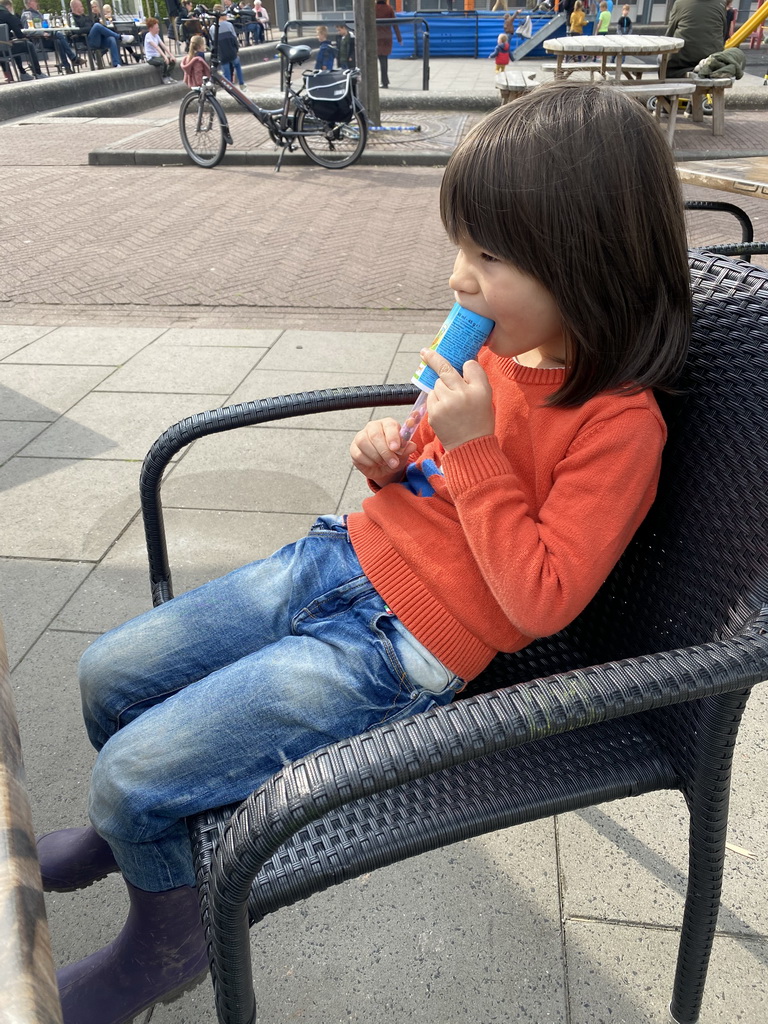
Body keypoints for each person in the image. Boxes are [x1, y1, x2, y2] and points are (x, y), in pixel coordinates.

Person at [38, 81, 691, 1024]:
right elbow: (429, 475)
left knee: (130, 771)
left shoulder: (618, 427)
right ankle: (140, 841)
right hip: (334, 559)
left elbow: (540, 599)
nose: (458, 279)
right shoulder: (494, 351)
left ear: (588, 264)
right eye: (460, 247)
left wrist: (469, 450)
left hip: (398, 647)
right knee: (108, 674)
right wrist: (394, 457)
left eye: (488, 256)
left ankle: (170, 930)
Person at [665, 0, 727, 79]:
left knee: (662, 59)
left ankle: (667, 86)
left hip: (682, 62)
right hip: (711, 60)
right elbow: (723, 33)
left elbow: (669, 35)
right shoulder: (721, 3)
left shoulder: (680, 3)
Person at [69, 0, 135, 68]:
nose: (83, 8)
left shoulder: (85, 16)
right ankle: (120, 37)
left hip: (97, 39)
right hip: (87, 41)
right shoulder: (72, 18)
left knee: (111, 39)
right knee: (97, 26)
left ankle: (116, 63)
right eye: (81, 6)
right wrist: (91, 28)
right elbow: (75, 31)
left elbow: (92, 25)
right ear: (76, 7)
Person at [22, 0, 81, 73]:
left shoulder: (39, 13)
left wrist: (51, 29)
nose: (37, 3)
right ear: (29, 3)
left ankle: (67, 67)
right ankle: (73, 58)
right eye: (35, 1)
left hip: (48, 39)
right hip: (39, 41)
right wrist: (42, 33)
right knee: (59, 35)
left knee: (59, 42)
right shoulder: (26, 15)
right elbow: (28, 31)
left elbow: (45, 27)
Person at [0, 0, 47, 78]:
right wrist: (26, 38)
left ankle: (20, 73)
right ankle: (37, 72)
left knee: (13, 44)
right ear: (8, 7)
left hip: (1, 49)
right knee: (28, 45)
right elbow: (19, 34)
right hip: (5, 49)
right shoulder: (7, 15)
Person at [213, 4, 244, 86]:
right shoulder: (229, 25)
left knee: (226, 74)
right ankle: (241, 83)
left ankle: (229, 87)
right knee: (237, 65)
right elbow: (234, 39)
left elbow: (213, 43)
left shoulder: (212, 28)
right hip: (232, 52)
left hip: (222, 54)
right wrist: (237, 49)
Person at [375, 0, 401, 88]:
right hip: (386, 37)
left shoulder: (373, 9)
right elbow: (395, 24)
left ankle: (375, 81)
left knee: (372, 61)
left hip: (375, 37)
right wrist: (399, 38)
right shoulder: (389, 9)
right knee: (384, 60)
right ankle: (385, 82)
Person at [143, 16, 175, 82]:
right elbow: (157, 47)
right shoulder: (148, 36)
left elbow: (163, 45)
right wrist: (164, 56)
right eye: (156, 28)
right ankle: (164, 77)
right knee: (164, 62)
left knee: (172, 61)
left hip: (157, 56)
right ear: (151, 28)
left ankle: (168, 75)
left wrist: (171, 55)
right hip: (151, 58)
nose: (158, 29)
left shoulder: (156, 36)